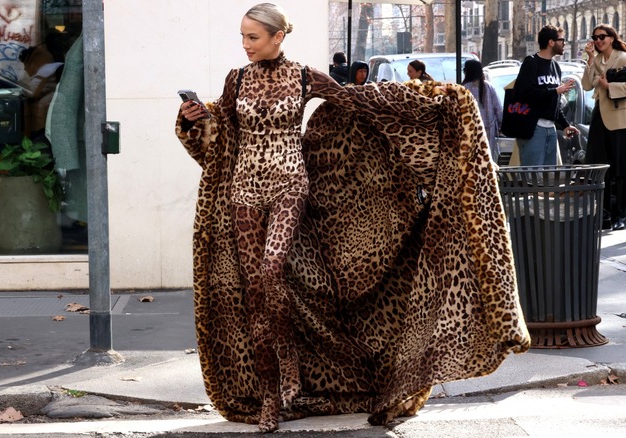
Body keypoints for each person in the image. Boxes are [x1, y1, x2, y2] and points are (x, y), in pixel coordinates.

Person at [176, 2, 529, 433]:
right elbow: (223, 127)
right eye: (243, 37)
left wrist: (425, 98)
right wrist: (196, 116)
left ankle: (291, 370)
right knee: (255, 292)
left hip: (290, 185)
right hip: (244, 189)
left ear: (277, 37)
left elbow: (357, 100)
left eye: (253, 37)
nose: (245, 45)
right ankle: (272, 393)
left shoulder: (304, 76)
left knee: (271, 271)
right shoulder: (237, 79)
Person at [513, 25, 579, 166]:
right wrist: (555, 91)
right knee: (532, 175)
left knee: (549, 176)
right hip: (533, 127)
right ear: (551, 42)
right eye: (562, 40)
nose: (564, 43)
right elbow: (524, 94)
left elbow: (554, 102)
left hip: (551, 128)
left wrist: (565, 125)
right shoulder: (531, 62)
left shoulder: (556, 66)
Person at [582, 24, 626, 231]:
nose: (598, 41)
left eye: (602, 37)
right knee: (602, 168)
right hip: (599, 117)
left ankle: (621, 215)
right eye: (595, 37)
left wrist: (611, 87)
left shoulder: (623, 58)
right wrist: (590, 59)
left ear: (612, 38)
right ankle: (604, 215)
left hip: (619, 119)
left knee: (620, 169)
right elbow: (586, 85)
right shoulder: (597, 59)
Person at [462, 59, 502, 161]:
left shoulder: (463, 89)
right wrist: (501, 125)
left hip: (469, 130)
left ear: (466, 72)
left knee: (473, 159)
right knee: (487, 157)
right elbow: (498, 109)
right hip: (489, 130)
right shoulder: (488, 87)